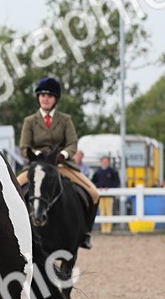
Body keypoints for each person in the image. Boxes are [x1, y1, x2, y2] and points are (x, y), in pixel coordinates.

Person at [17, 77, 99, 248]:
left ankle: (85, 234)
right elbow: (24, 147)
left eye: (49, 96)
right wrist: (38, 155)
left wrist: (63, 154)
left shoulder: (65, 120)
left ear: (55, 99)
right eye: (42, 95)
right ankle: (16, 232)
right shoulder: (30, 121)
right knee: (13, 191)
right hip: (37, 165)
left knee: (93, 193)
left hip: (61, 165)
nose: (45, 98)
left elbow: (72, 144)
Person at [90, 156, 121, 234]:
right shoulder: (97, 172)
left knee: (109, 211)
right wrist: (99, 187)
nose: (105, 163)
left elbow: (116, 182)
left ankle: (108, 229)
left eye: (106, 161)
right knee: (102, 212)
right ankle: (103, 229)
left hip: (109, 195)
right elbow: (93, 182)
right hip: (100, 195)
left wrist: (110, 188)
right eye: (103, 161)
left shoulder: (113, 172)